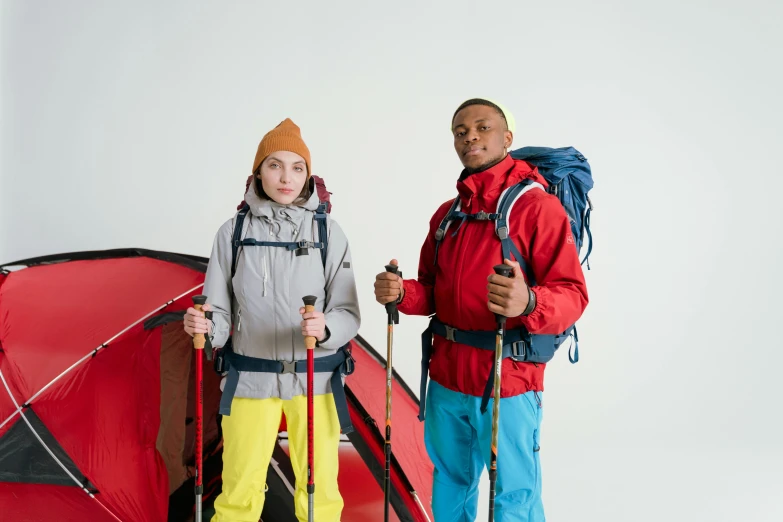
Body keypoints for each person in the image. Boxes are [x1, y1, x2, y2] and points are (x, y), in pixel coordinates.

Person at [374, 99, 589, 521]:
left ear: (507, 138)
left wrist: (529, 301)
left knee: (515, 494)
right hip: (448, 380)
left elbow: (573, 294)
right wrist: (402, 293)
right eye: (459, 131)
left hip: (507, 380)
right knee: (451, 481)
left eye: (482, 127)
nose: (469, 135)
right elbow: (433, 292)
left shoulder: (537, 208)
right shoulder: (448, 215)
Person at [185, 118, 361, 522]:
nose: (286, 177)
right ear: (258, 172)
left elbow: (349, 313)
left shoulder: (328, 232)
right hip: (249, 378)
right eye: (275, 165)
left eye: (297, 167)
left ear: (309, 175)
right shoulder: (233, 232)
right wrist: (206, 326)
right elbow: (219, 312)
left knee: (320, 495)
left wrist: (326, 327)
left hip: (315, 378)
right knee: (239, 492)